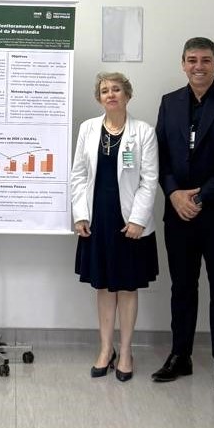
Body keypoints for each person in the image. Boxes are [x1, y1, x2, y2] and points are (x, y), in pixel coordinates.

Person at [151, 37, 214, 393]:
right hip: (178, 211)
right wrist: (174, 193)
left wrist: (202, 197)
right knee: (182, 287)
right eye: (192, 60)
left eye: (205, 60)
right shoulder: (169, 102)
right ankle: (181, 356)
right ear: (182, 63)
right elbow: (159, 155)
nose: (199, 66)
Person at [71, 72, 158, 382]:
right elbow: (78, 174)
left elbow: (150, 180)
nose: (110, 94)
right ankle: (105, 349)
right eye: (104, 90)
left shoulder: (144, 132)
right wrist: (80, 213)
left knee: (127, 286)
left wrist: (138, 220)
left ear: (127, 95)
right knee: (105, 286)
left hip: (129, 222)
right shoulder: (88, 129)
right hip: (99, 220)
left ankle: (125, 352)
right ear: (99, 98)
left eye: (116, 89)